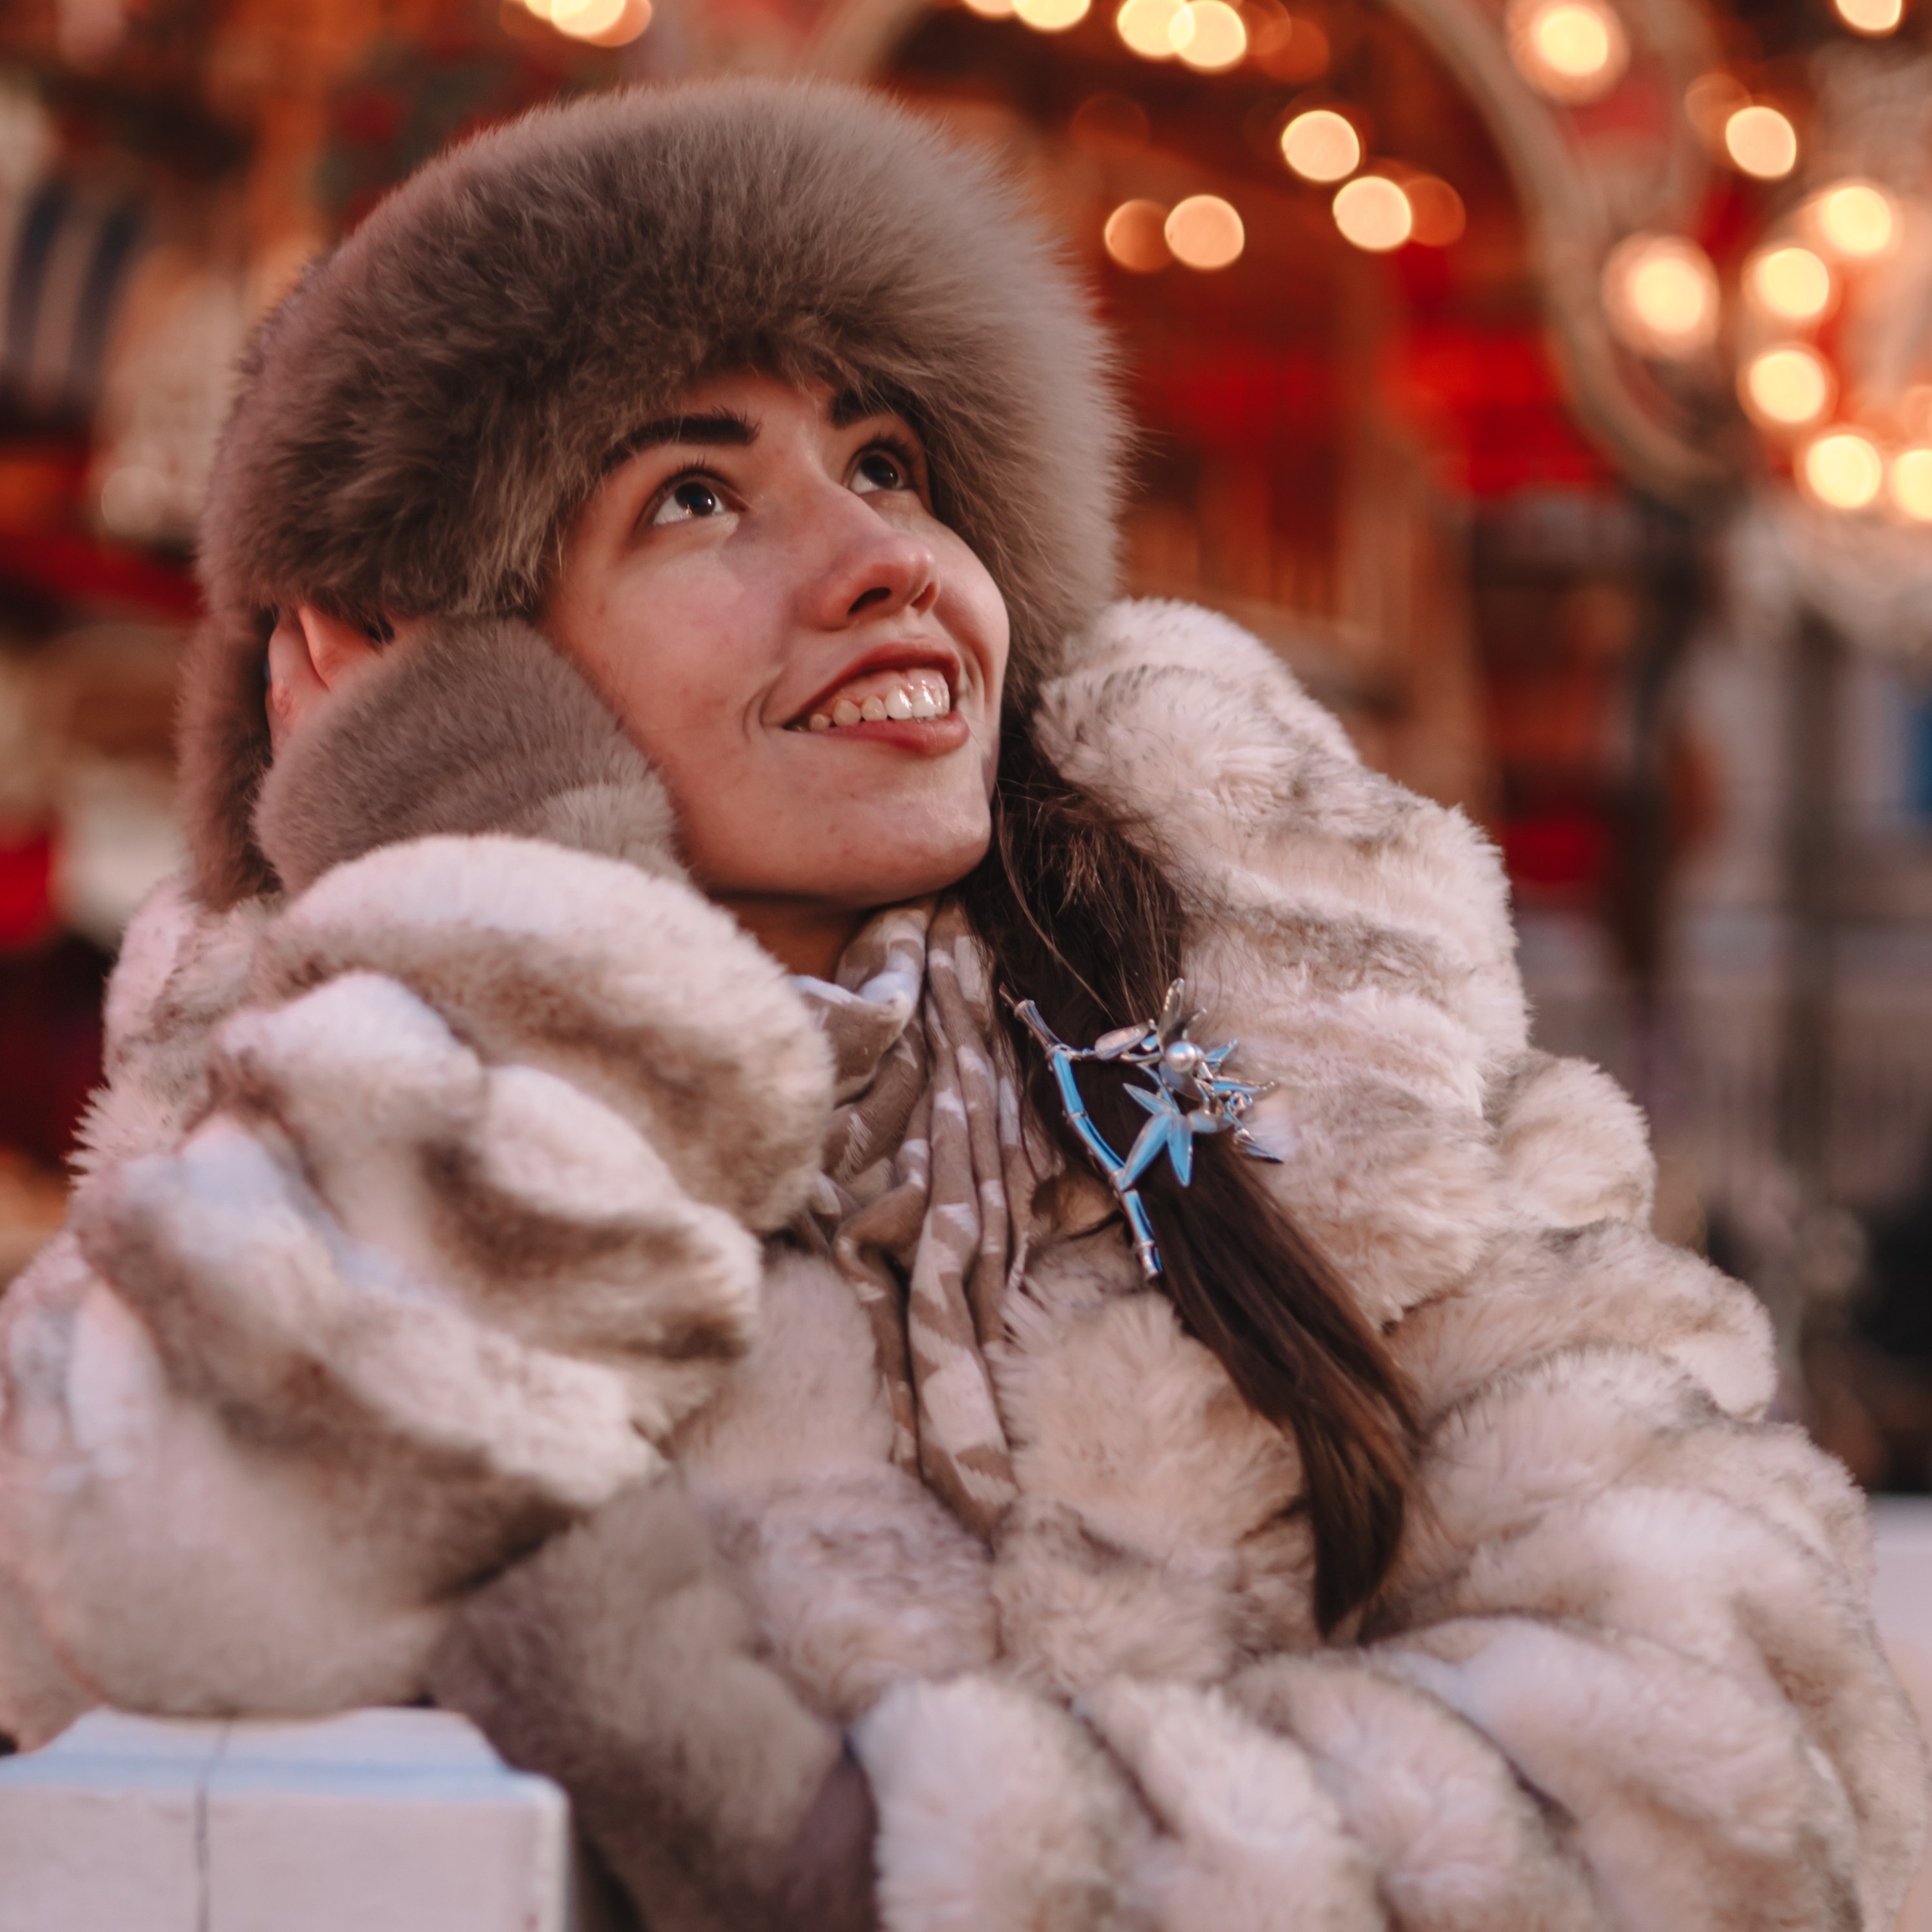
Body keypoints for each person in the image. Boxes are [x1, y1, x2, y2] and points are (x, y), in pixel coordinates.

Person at [0, 80, 1922, 1931]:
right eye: (693, 495)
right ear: (468, 673)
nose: (882, 562)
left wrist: (836, 1846)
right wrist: (517, 948)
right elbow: (162, 1605)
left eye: (886, 464)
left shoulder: (1317, 1040)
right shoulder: (319, 1113)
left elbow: (1735, 1774)